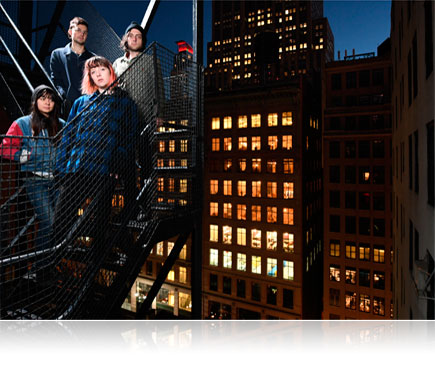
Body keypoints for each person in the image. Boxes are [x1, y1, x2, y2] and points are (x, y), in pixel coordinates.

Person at [54, 56, 137, 256]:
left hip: (104, 170)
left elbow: (129, 138)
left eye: (101, 69)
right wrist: (61, 166)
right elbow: (68, 135)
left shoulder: (125, 103)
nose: (98, 74)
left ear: (111, 71)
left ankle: (96, 263)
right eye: (93, 71)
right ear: (89, 76)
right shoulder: (81, 102)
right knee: (61, 219)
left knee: (100, 222)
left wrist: (117, 165)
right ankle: (49, 265)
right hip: (77, 168)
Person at [0, 85, 65, 280]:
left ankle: (46, 264)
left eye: (51, 99)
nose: (47, 102)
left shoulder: (61, 124)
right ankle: (40, 266)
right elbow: (4, 148)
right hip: (35, 180)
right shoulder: (22, 123)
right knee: (49, 220)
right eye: (43, 98)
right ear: (35, 101)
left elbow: (71, 146)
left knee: (59, 223)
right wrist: (20, 156)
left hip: (58, 180)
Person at [113, 21, 165, 214]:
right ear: (125, 39)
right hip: (124, 121)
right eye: (131, 35)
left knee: (145, 164)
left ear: (142, 40)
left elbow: (159, 88)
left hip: (145, 120)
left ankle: (146, 205)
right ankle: (130, 205)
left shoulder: (151, 60)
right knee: (126, 165)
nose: (134, 39)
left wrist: (159, 114)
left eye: (138, 36)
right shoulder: (117, 64)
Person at [50, 16, 95, 116]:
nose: (82, 34)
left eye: (85, 32)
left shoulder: (94, 59)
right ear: (70, 31)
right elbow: (56, 80)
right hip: (67, 108)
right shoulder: (57, 54)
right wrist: (64, 97)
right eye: (78, 30)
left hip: (88, 108)